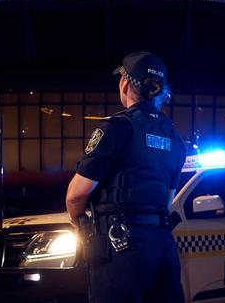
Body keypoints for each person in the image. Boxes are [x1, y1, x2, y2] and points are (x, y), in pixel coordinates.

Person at [65, 51, 187, 303]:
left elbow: (76, 194)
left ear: (125, 83)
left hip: (121, 245)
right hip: (163, 244)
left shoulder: (117, 128)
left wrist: (80, 224)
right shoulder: (174, 137)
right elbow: (166, 201)